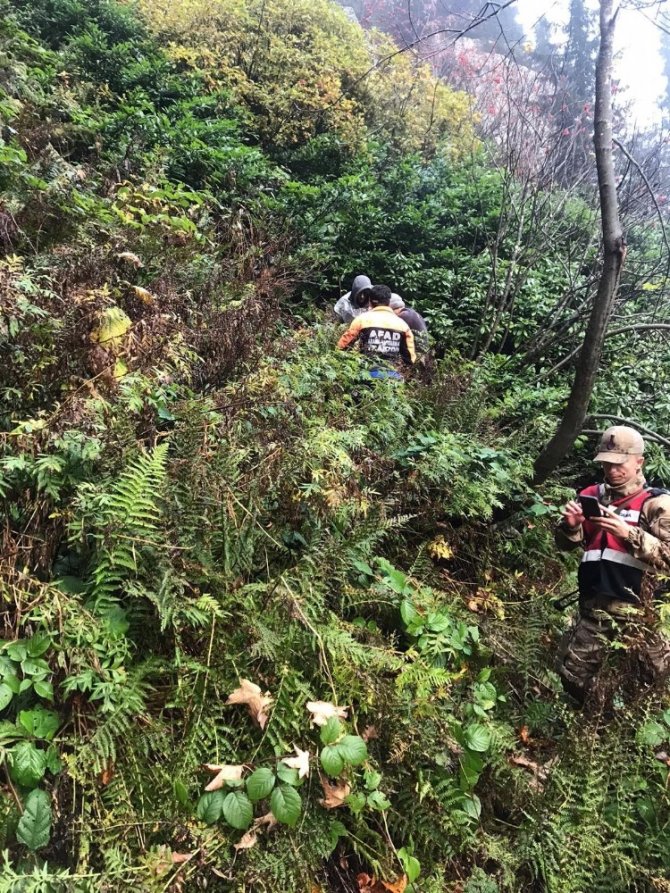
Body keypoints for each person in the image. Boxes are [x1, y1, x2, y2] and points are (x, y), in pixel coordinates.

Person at [555, 425, 670, 703]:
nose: (612, 470)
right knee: (572, 675)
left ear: (639, 461)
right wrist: (570, 528)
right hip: (595, 606)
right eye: (606, 463)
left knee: (650, 684)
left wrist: (629, 534)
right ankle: (588, 724)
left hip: (644, 616)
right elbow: (567, 544)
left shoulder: (656, 504)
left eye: (619, 463)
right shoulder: (591, 494)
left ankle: (629, 735)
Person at [336, 284, 416, 374]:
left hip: (365, 374)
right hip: (391, 378)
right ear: (389, 302)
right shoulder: (403, 325)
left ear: (370, 301)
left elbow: (342, 346)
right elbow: (410, 359)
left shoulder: (361, 320)